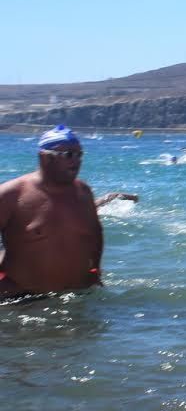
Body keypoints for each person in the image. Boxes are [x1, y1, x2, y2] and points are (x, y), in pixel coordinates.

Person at [0, 127, 120, 300]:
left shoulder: (83, 192)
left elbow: (95, 234)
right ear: (45, 157)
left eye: (79, 155)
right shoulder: (11, 195)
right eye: (69, 155)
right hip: (24, 300)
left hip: (76, 297)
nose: (76, 161)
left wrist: (95, 271)